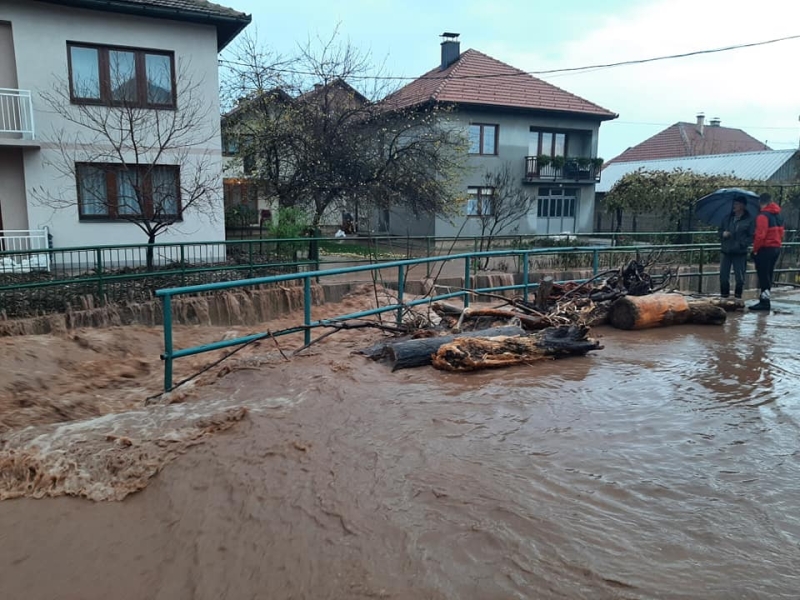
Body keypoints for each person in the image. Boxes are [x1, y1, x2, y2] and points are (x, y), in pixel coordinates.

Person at [749, 193, 785, 311]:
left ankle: (764, 302)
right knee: (769, 274)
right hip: (776, 248)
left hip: (765, 249)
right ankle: (765, 298)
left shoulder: (762, 216)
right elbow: (782, 233)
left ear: (760, 202)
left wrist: (755, 250)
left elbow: (760, 235)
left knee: (763, 275)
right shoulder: (778, 215)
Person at [718, 196, 754, 299]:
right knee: (723, 277)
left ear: (742, 206)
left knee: (740, 278)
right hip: (726, 251)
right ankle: (724, 297)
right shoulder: (727, 218)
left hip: (739, 253)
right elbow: (719, 231)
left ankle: (738, 297)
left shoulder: (749, 220)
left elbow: (751, 236)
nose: (734, 206)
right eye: (734, 204)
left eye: (737, 204)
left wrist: (741, 244)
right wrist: (723, 234)